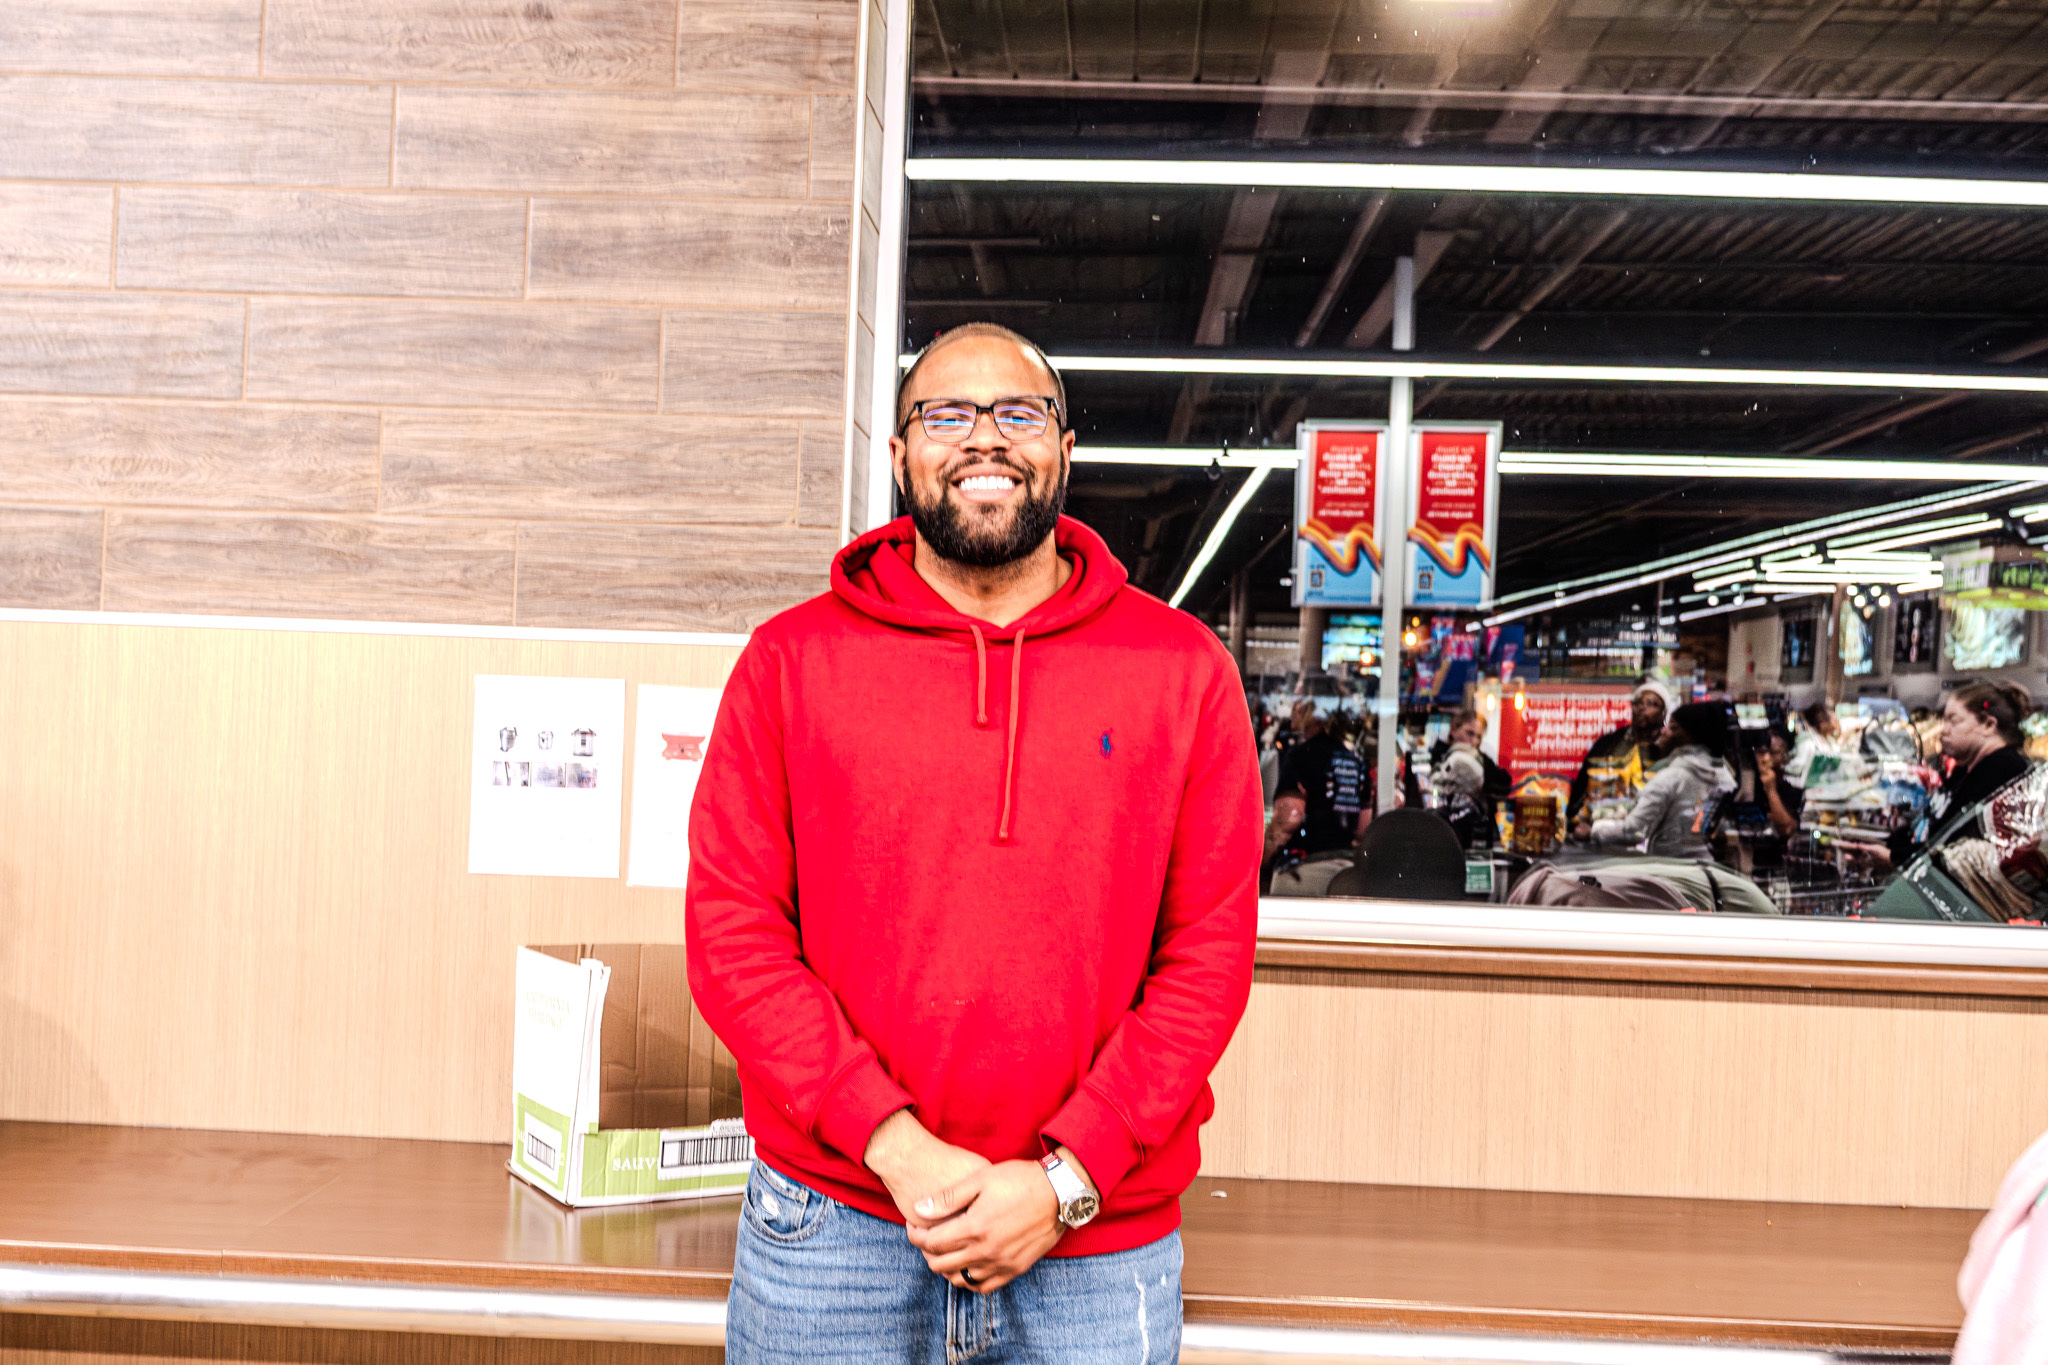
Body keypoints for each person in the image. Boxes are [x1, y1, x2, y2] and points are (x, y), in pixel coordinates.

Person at [685, 321, 1263, 1364]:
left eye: (1019, 413)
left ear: (1065, 448)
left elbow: (1205, 961)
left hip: (1094, 1243)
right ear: (900, 452)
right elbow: (734, 936)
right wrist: (895, 1150)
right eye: (945, 415)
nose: (984, 440)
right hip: (835, 1228)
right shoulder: (788, 663)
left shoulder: (1181, 671)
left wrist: (1062, 1182)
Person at [1870, 680, 2034, 873]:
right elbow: (1935, 830)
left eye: (1953, 721)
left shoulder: (2003, 770)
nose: (1943, 730)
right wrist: (1887, 847)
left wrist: (1894, 858)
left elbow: (1955, 847)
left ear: (1989, 725)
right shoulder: (1966, 771)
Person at [1588, 702, 1736, 860]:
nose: (1664, 732)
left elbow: (1634, 830)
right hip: (1708, 869)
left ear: (1690, 737)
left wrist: (1595, 829)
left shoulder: (1670, 779)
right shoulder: (1726, 777)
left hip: (1670, 871)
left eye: (1673, 728)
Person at [1567, 678, 1675, 827]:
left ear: (1663, 714)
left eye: (1652, 704)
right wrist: (1574, 820)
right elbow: (1580, 792)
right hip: (1597, 833)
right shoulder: (1607, 745)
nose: (1642, 707)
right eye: (1638, 702)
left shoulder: (1668, 751)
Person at [1275, 699, 1368, 854]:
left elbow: (1287, 821)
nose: (1294, 707)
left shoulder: (1302, 756)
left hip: (1310, 862)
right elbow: (1362, 829)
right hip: (1346, 861)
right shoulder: (1356, 759)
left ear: (1313, 713)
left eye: (1299, 702)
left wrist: (1265, 858)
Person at [1429, 708, 1512, 850]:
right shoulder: (1439, 756)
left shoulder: (1481, 760)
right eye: (1469, 733)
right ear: (1454, 730)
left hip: (1474, 837)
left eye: (1479, 736)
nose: (1474, 741)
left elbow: (1504, 782)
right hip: (1439, 833)